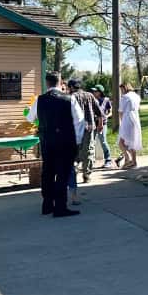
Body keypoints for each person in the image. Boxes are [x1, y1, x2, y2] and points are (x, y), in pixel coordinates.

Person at [31, 72, 84, 217]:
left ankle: (47, 204)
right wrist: (77, 141)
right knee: (62, 173)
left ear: (47, 83)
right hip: (65, 141)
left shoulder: (40, 100)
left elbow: (30, 117)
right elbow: (79, 121)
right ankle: (60, 207)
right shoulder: (69, 99)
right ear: (60, 82)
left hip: (47, 141)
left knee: (47, 173)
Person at [69, 78, 102, 186]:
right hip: (89, 127)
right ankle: (86, 175)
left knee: (75, 151)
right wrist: (100, 124)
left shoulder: (71, 97)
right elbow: (99, 112)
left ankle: (74, 170)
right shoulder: (90, 95)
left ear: (72, 87)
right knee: (88, 150)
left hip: (75, 128)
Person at [116, 82, 143, 168]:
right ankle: (134, 161)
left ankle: (127, 159)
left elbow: (120, 111)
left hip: (127, 120)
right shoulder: (136, 96)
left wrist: (121, 122)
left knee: (121, 142)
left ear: (125, 88)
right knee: (132, 142)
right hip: (135, 119)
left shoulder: (125, 97)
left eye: (121, 89)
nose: (121, 91)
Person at [91, 85, 114, 167]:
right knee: (91, 142)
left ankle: (108, 160)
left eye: (95, 91)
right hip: (93, 123)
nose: (93, 92)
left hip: (103, 124)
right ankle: (91, 160)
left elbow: (110, 111)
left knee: (103, 141)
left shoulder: (106, 100)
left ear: (100, 92)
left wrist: (106, 116)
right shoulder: (92, 100)